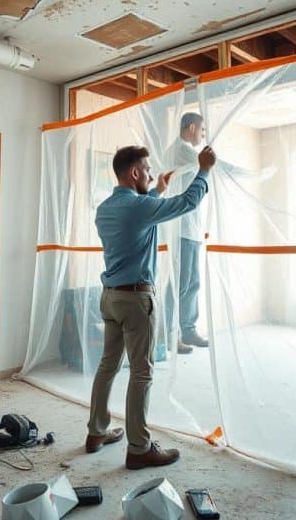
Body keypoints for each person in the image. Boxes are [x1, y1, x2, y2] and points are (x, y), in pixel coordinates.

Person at [85, 143, 217, 469]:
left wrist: (156, 190)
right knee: (141, 373)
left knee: (108, 366)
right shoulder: (139, 208)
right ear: (133, 173)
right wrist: (203, 170)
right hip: (135, 300)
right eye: (146, 169)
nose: (150, 173)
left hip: (110, 298)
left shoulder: (105, 210)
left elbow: (140, 214)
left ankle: (96, 432)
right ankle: (139, 448)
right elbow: (187, 202)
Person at [163, 112, 212, 350]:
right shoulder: (181, 150)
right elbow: (212, 166)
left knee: (192, 283)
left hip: (192, 230)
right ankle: (171, 335)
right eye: (202, 131)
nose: (203, 136)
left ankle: (188, 330)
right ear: (191, 127)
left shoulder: (188, 153)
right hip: (181, 229)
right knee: (180, 284)